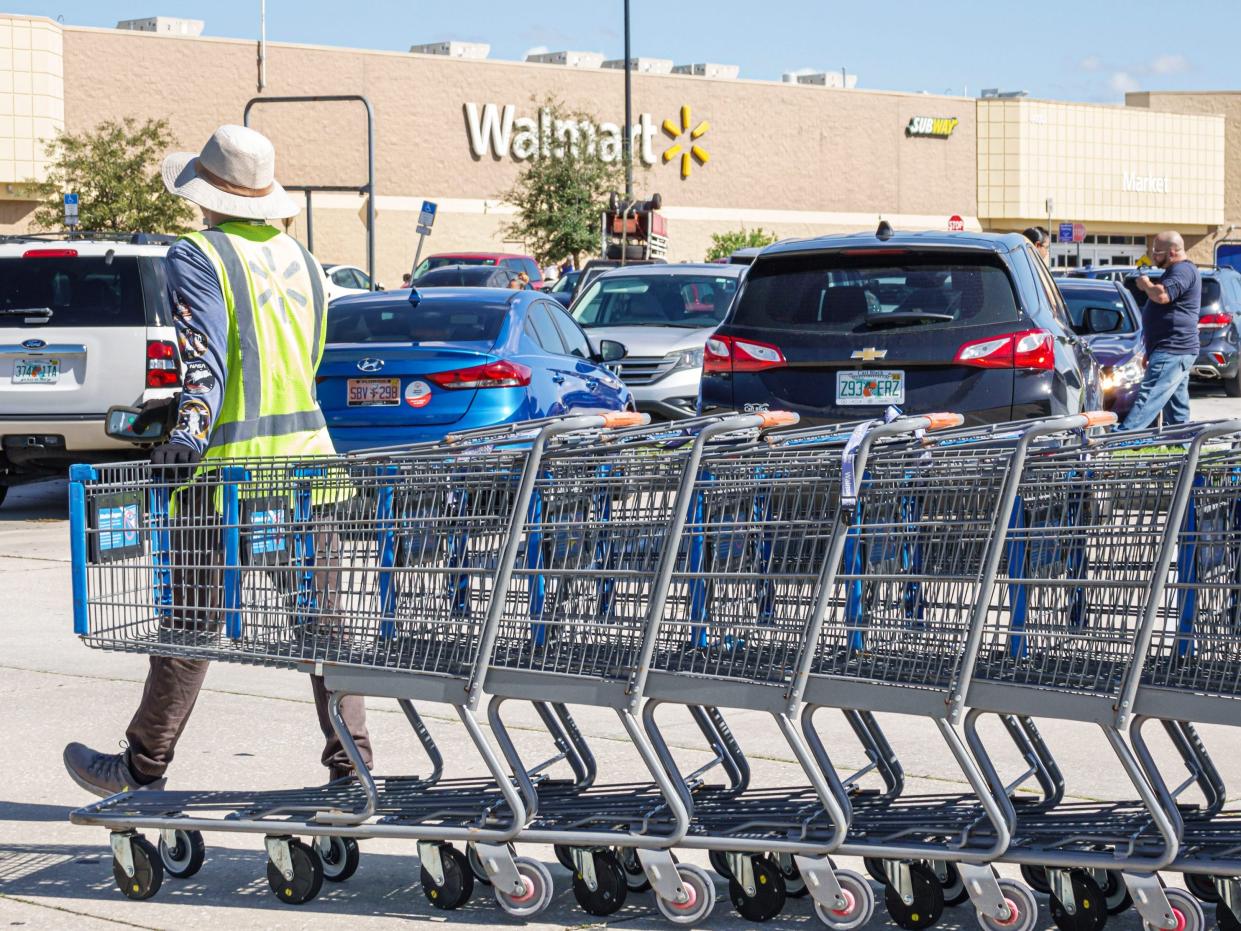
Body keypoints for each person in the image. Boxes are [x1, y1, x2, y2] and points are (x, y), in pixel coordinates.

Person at [63, 124, 372, 796]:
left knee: (191, 621)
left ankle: (141, 766)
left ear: (206, 194)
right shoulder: (302, 260)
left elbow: (202, 366)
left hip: (225, 474)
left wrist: (182, 443)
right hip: (308, 470)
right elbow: (305, 361)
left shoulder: (198, 255)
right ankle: (352, 768)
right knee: (322, 629)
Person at [1118, 230, 1201, 430]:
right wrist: (1151, 350)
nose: (1153, 256)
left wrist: (1146, 284)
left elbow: (1163, 296)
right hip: (1171, 348)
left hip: (1173, 348)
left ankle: (1115, 441)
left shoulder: (1182, 270)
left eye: (1157, 252)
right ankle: (1181, 444)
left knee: (1149, 397)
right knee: (1176, 404)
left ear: (1172, 252)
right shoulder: (1175, 270)